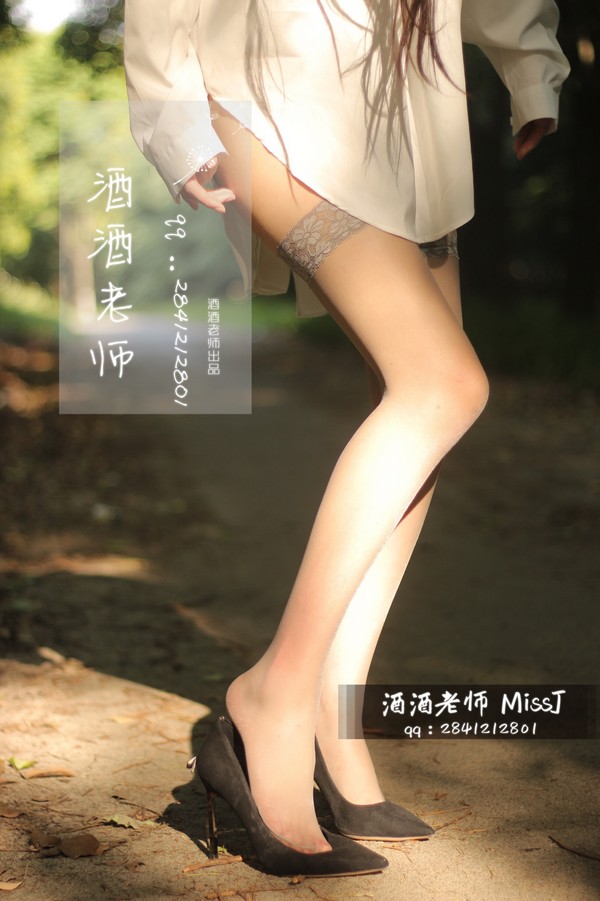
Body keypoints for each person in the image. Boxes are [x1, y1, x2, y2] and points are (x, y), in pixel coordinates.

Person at [124, 0, 570, 879]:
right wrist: (172, 118)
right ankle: (274, 694)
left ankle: (337, 713)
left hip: (412, 118)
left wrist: (530, 62)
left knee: (419, 407)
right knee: (443, 384)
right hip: (271, 105)